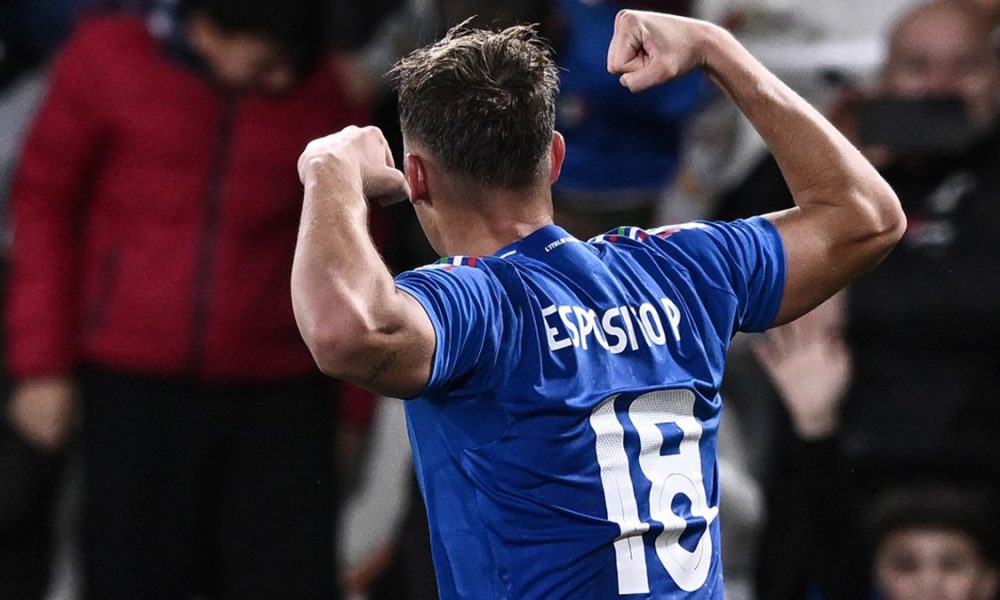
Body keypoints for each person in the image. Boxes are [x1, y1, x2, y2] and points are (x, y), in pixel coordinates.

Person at [291, 9, 904, 599]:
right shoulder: (679, 270)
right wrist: (717, 52)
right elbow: (867, 217)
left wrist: (330, 172)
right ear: (556, 158)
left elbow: (343, 330)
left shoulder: (479, 304)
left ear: (417, 177)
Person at [5, 0, 369, 597]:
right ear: (207, 32)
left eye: (294, 62)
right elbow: (44, 207)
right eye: (267, 63)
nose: (283, 79)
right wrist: (42, 365)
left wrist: (355, 407)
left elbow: (357, 252)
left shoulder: (326, 90)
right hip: (132, 387)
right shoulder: (104, 62)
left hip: (282, 397)